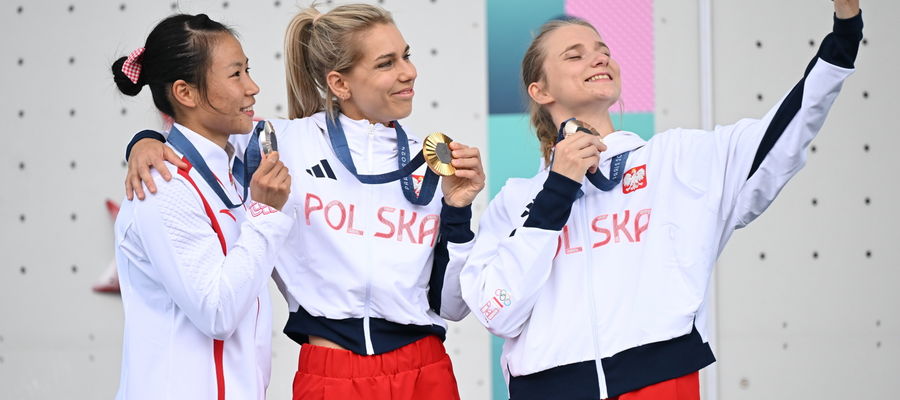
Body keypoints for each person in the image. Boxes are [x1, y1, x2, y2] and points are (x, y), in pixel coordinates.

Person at [459, 1, 863, 399]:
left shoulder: (676, 161)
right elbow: (498, 311)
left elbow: (782, 130)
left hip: (658, 383)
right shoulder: (516, 199)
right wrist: (556, 193)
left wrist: (844, 34)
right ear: (540, 89)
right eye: (575, 55)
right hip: (548, 389)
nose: (599, 59)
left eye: (604, 52)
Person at [125, 4, 485, 399]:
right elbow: (200, 128)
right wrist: (147, 140)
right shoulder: (276, 144)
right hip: (330, 370)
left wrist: (459, 211)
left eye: (407, 56)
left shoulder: (434, 160)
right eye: (386, 63)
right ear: (339, 83)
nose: (409, 72)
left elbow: (451, 306)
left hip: (423, 368)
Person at [111, 13, 293, 399]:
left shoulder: (234, 162)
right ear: (185, 93)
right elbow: (217, 312)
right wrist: (265, 216)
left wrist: (143, 137)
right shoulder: (162, 186)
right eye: (236, 74)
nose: (253, 87)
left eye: (249, 70)